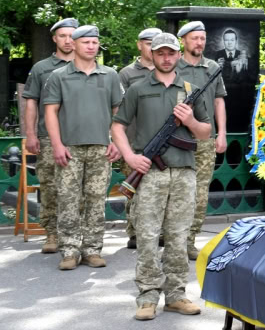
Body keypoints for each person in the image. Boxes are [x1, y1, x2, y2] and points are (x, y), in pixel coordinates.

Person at [111, 32, 210, 321]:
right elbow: (118, 126)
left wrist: (190, 120)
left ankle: (177, 294)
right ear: (151, 56)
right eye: (160, 53)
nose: (166, 58)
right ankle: (148, 296)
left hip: (184, 172)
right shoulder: (138, 89)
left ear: (179, 55)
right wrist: (130, 156)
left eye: (171, 53)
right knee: (147, 234)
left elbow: (205, 132)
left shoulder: (193, 89)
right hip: (150, 173)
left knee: (179, 235)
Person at [42, 25, 122, 271]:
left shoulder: (109, 75)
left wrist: (117, 142)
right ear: (74, 44)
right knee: (67, 198)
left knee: (96, 200)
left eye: (95, 43)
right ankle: (69, 250)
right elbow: (51, 112)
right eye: (86, 42)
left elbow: (119, 112)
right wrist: (56, 144)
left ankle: (92, 250)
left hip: (100, 147)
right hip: (69, 149)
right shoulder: (58, 76)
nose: (91, 46)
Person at [22, 17, 77, 253]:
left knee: (79, 189)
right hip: (47, 137)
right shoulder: (42, 68)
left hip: (79, 137)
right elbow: (31, 103)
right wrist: (31, 134)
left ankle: (76, 235)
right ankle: (52, 234)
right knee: (50, 186)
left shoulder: (87, 66)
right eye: (63, 36)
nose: (68, 41)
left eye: (72, 36)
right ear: (54, 38)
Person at [177, 21, 228, 261]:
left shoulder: (212, 67)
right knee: (177, 192)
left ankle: (189, 240)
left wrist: (222, 134)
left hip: (205, 139)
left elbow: (219, 101)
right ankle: (174, 239)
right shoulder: (173, 67)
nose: (200, 42)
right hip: (178, 139)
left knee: (200, 194)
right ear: (184, 40)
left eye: (203, 38)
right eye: (195, 38)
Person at [118, 27, 161, 249]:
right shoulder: (126, 74)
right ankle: (135, 232)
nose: (152, 46)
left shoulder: (169, 70)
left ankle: (159, 232)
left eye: (156, 43)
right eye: (147, 42)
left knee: (161, 189)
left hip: (163, 142)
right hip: (135, 142)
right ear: (139, 45)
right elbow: (121, 110)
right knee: (135, 190)